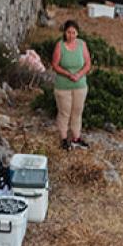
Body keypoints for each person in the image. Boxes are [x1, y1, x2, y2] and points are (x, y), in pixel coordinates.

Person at [50, 20, 92, 150]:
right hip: (63, 86)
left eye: (74, 32)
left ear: (77, 33)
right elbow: (55, 65)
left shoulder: (82, 44)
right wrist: (68, 74)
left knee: (77, 112)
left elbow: (88, 64)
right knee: (64, 112)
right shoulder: (60, 46)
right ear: (65, 32)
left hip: (80, 85)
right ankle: (63, 139)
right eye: (69, 32)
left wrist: (79, 75)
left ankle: (76, 138)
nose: (71, 35)